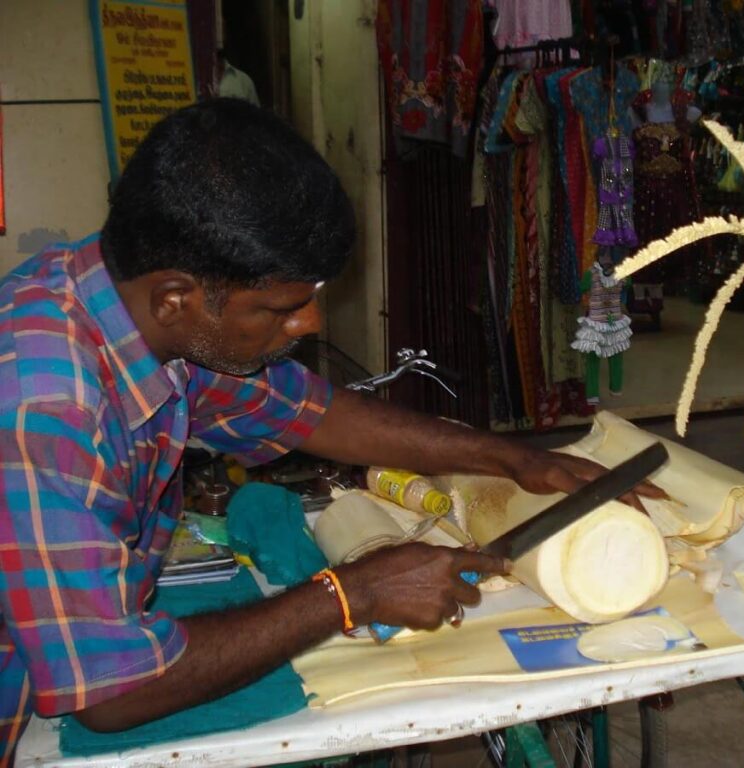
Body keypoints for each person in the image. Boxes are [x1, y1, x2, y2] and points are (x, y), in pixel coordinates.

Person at [0, 98, 661, 760]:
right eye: (283, 308)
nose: (311, 325)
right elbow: (113, 693)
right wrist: (354, 593)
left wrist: (510, 460)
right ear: (176, 297)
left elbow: (315, 413)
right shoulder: (46, 409)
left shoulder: (127, 300)